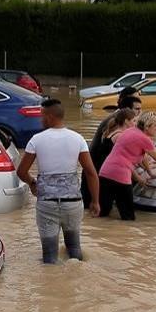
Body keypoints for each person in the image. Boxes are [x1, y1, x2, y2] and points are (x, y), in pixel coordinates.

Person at [17, 98, 99, 264]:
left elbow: (21, 172)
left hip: (47, 204)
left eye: (42, 116)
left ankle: (51, 286)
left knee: (49, 256)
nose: (41, 120)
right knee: (74, 248)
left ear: (49, 117)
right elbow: (91, 173)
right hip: (73, 204)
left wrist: (33, 183)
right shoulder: (78, 139)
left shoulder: (36, 140)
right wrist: (95, 201)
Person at [98, 112, 156, 221]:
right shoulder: (145, 139)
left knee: (102, 213)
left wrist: (149, 172)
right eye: (155, 125)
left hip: (105, 172)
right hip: (120, 177)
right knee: (128, 218)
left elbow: (138, 157)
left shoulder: (129, 131)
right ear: (147, 127)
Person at [83, 93, 142, 208]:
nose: (139, 112)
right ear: (127, 111)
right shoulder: (118, 127)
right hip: (97, 170)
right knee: (96, 207)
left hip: (99, 169)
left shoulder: (118, 121)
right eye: (137, 109)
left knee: (98, 209)